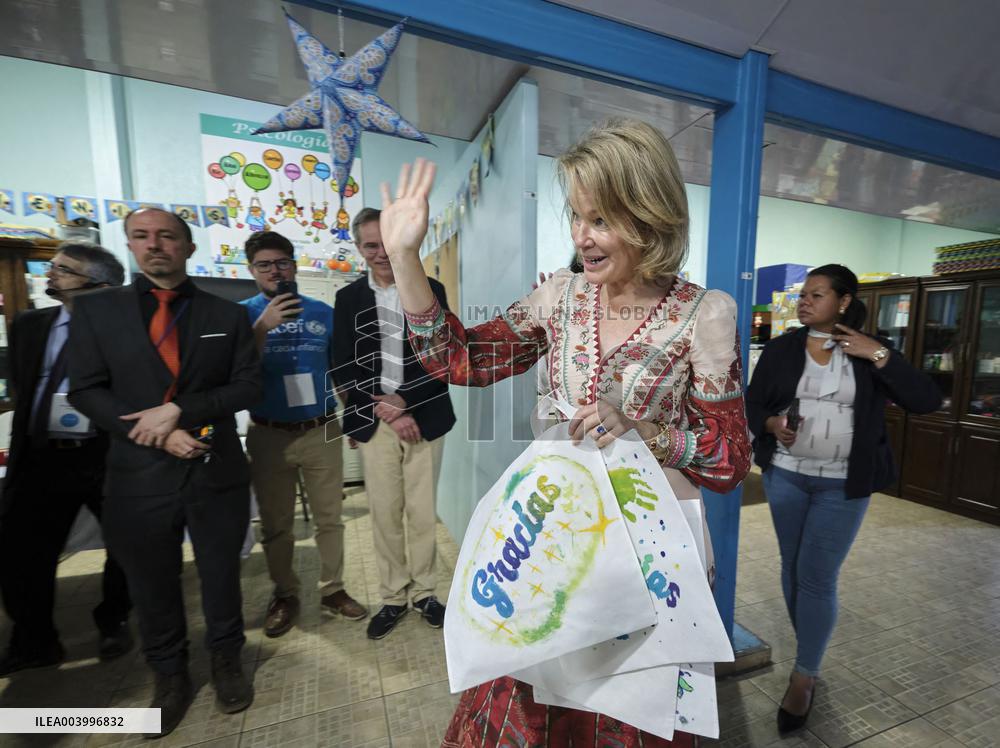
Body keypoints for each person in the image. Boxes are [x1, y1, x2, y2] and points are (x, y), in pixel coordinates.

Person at [378, 119, 750, 747]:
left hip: (646, 549)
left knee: (623, 710)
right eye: (577, 217)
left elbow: (730, 459)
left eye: (600, 219)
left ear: (648, 216)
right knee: (530, 695)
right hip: (550, 534)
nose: (582, 236)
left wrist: (649, 432)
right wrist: (405, 259)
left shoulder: (703, 314)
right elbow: (461, 361)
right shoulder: (559, 296)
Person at [67, 208, 262, 737]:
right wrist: (154, 432)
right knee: (152, 581)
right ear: (130, 245)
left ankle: (226, 659)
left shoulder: (227, 315)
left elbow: (248, 386)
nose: (155, 244)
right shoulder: (98, 311)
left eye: (167, 236)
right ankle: (169, 674)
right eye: (142, 236)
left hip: (213, 470)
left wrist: (181, 411)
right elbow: (85, 390)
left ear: (188, 247)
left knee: (220, 574)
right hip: (139, 474)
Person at [746, 264, 941, 733]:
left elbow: (926, 400)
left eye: (817, 295)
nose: (804, 302)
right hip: (786, 477)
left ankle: (803, 676)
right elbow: (752, 404)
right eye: (804, 294)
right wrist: (771, 423)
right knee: (792, 568)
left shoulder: (871, 350)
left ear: (845, 301)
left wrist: (879, 354)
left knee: (816, 578)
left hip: (841, 485)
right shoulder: (782, 349)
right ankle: (811, 648)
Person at [0, 242, 132, 677]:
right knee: (22, 551)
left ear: (100, 286)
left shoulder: (125, 332)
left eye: (64, 269)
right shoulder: (30, 325)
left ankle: (114, 619)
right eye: (53, 266)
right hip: (40, 457)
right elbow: (23, 386)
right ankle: (34, 640)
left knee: (126, 545)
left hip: (102, 453)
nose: (50, 274)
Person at [331, 208, 456, 640]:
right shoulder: (347, 299)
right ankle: (393, 596)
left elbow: (442, 356)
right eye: (371, 245)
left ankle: (425, 593)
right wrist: (385, 409)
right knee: (384, 513)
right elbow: (342, 363)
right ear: (359, 248)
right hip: (374, 421)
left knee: (421, 512)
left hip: (426, 416)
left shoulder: (430, 290)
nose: (381, 253)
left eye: (386, 243)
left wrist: (404, 402)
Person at [241, 230, 367, 638]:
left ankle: (333, 588)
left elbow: (340, 371)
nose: (275, 271)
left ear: (294, 267)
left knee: (330, 519)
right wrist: (263, 327)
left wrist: (354, 418)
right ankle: (285, 593)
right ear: (252, 270)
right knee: (276, 524)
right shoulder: (242, 316)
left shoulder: (323, 312)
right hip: (268, 434)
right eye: (264, 265)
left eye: (282, 263)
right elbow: (232, 371)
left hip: (320, 429)